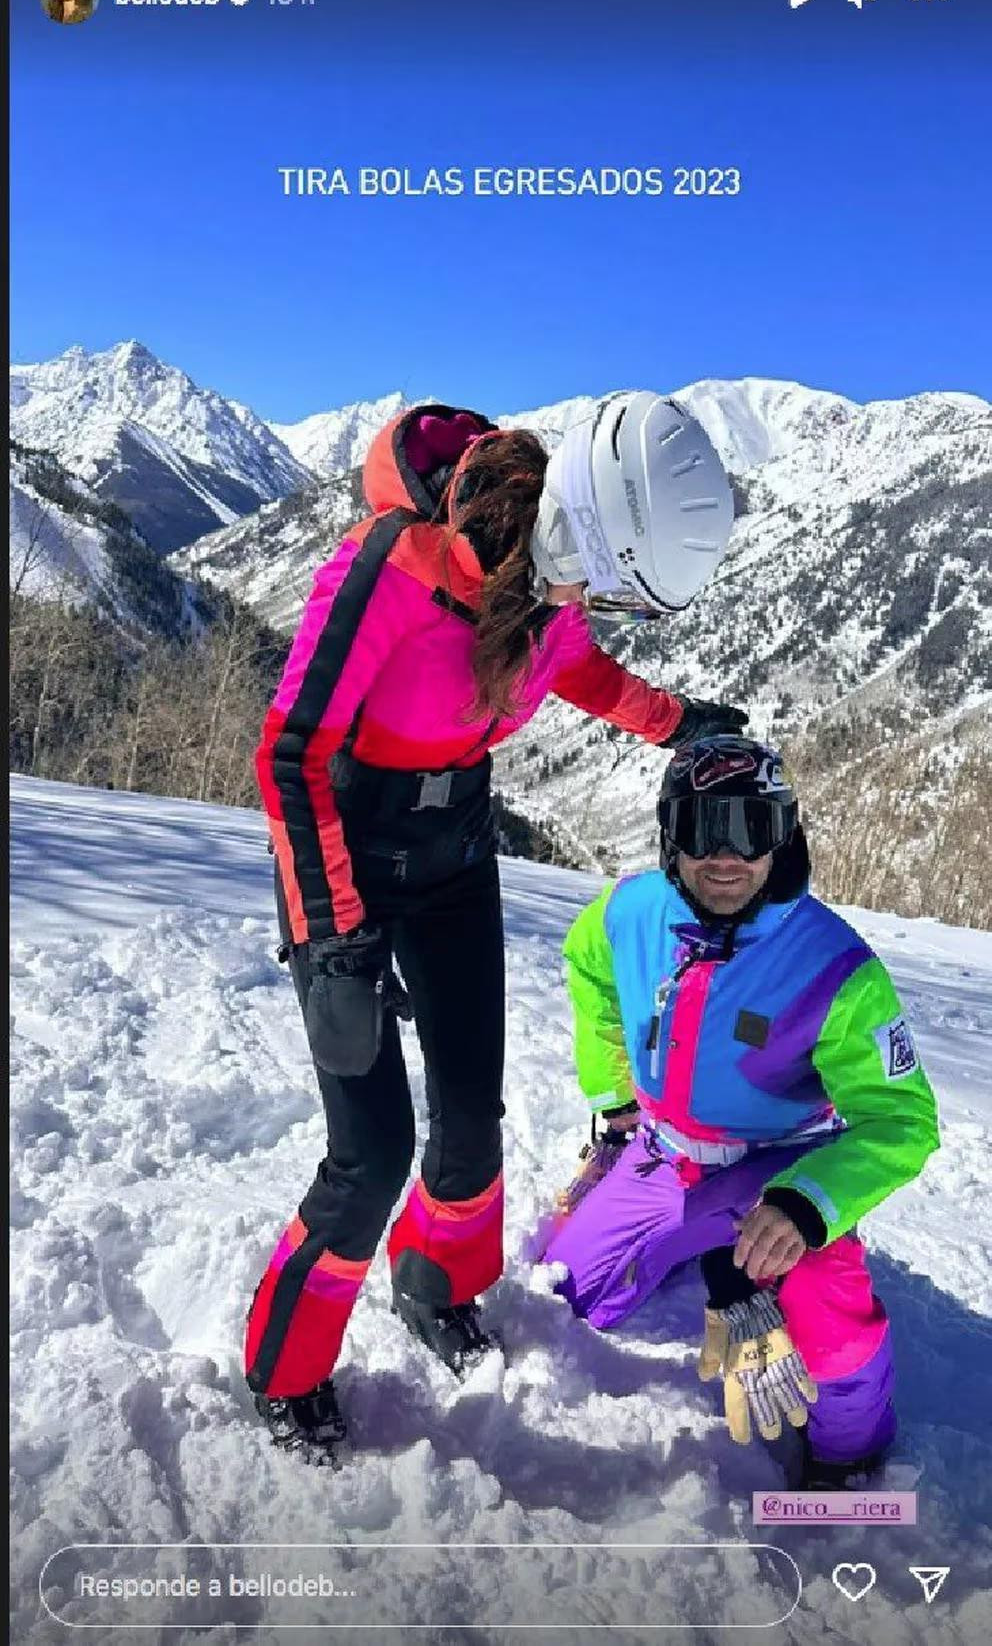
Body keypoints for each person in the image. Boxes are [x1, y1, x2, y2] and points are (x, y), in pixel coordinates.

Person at [245, 392, 748, 1462]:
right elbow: (291, 753)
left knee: (469, 1119)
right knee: (369, 1152)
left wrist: (674, 722)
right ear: (581, 526)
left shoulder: (549, 590)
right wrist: (332, 934)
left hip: (455, 858)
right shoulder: (392, 566)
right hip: (347, 867)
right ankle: (283, 1369)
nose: (593, 605)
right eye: (603, 582)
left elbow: (574, 669)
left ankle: (432, 1285)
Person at [543, 735, 940, 1489]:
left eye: (750, 830)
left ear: (783, 834)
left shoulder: (837, 969)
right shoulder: (630, 912)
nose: (725, 857)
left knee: (829, 1330)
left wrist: (805, 1204)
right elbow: (586, 967)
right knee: (562, 1293)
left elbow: (902, 1122)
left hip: (777, 1171)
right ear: (669, 834)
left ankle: (849, 1460)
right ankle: (709, 1250)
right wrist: (616, 1097)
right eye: (702, 830)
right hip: (665, 1156)